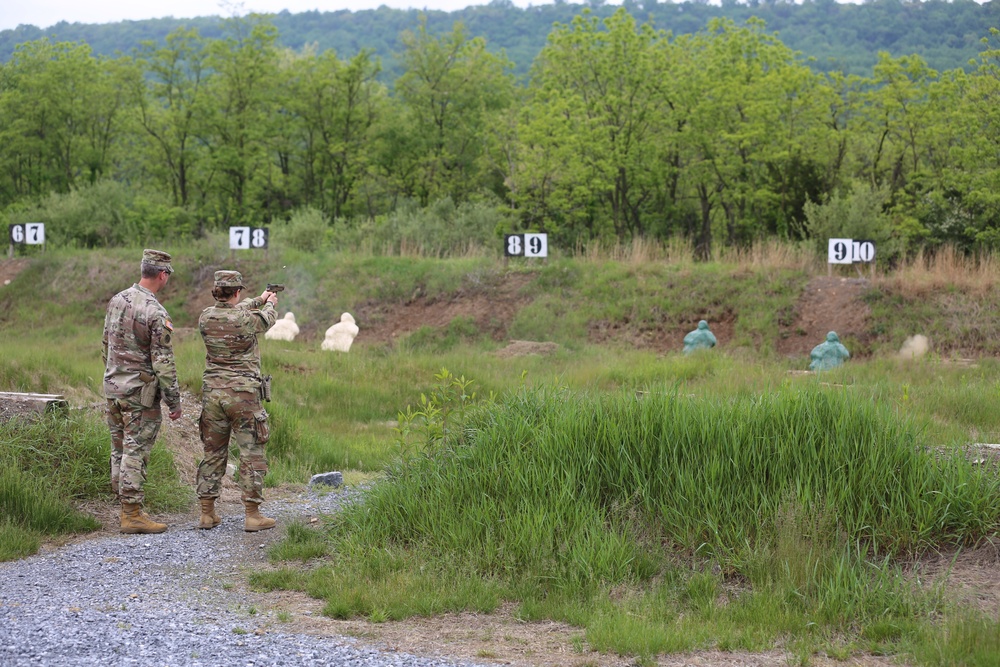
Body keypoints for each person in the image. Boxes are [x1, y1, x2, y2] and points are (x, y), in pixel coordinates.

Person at [103, 248, 182, 534]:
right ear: (163, 275)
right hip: (139, 394)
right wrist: (174, 402)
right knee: (135, 451)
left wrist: (112, 377)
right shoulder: (155, 312)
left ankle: (125, 506)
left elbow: (106, 344)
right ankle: (132, 514)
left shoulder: (116, 300)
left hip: (113, 388)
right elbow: (164, 364)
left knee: (119, 448)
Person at [196, 271, 279, 532]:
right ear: (236, 291)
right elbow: (267, 320)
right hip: (243, 396)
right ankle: (252, 514)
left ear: (216, 291)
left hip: (213, 395)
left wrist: (258, 297)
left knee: (213, 453)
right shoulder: (247, 319)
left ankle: (207, 513)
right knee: (251, 453)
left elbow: (235, 309)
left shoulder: (206, 317)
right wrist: (270, 303)